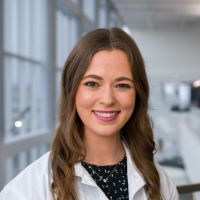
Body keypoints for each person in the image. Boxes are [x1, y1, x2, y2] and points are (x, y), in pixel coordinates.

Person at [0, 28, 179, 200]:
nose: (108, 99)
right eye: (92, 84)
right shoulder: (27, 191)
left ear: (138, 94)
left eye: (122, 85)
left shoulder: (161, 182)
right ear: (72, 90)